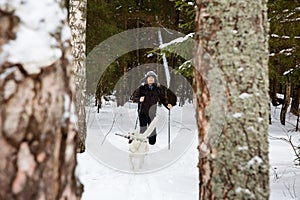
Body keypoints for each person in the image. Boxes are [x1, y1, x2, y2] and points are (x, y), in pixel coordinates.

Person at [131, 71, 172, 145]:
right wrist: (139, 99)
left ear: (155, 79)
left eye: (152, 78)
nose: (151, 79)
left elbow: (163, 99)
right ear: (146, 79)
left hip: (152, 113)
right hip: (142, 112)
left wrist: (167, 104)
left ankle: (152, 144)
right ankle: (142, 143)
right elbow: (134, 98)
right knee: (143, 129)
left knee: (152, 130)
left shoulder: (158, 89)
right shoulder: (141, 88)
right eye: (149, 78)